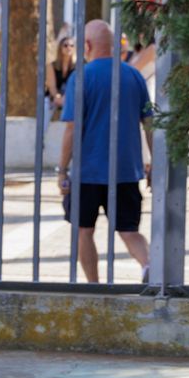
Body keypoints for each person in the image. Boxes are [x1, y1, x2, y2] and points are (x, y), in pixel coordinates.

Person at [59, 19, 153, 282]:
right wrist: (154, 163)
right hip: (125, 171)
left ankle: (94, 286)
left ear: (87, 45)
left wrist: (62, 169)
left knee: (83, 230)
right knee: (129, 230)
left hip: (87, 172)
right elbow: (149, 125)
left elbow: (72, 129)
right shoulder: (134, 75)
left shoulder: (82, 77)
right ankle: (147, 266)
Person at [45, 35, 76, 127]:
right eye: (65, 45)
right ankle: (40, 137)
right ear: (60, 48)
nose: (69, 48)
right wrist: (57, 97)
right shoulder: (52, 65)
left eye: (72, 45)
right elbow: (52, 86)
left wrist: (66, 98)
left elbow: (76, 87)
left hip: (70, 96)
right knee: (45, 107)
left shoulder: (78, 66)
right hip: (53, 97)